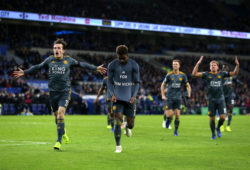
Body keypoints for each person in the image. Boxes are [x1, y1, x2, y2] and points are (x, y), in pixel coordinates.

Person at [13, 38, 106, 150]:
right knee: (57, 117)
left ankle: (58, 141)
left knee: (61, 114)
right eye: (55, 48)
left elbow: (82, 64)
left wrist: (95, 68)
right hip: (53, 93)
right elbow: (37, 67)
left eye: (59, 48)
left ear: (63, 50)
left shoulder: (69, 60)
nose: (56, 50)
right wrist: (25, 72)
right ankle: (63, 132)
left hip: (64, 92)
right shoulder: (49, 60)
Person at [192, 56, 239, 140]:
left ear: (217, 67)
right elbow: (194, 74)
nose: (213, 66)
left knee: (223, 118)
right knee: (212, 119)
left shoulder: (222, 74)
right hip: (210, 100)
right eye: (211, 65)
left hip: (220, 99)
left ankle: (218, 128)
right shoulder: (207, 74)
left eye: (214, 65)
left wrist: (237, 65)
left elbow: (234, 73)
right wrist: (198, 63)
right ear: (210, 67)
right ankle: (213, 134)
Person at [107, 45, 140, 153]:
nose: (121, 60)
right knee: (117, 119)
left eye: (123, 58)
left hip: (130, 98)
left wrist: (134, 95)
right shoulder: (112, 65)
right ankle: (118, 146)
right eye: (119, 58)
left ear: (127, 55)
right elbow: (109, 82)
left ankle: (126, 126)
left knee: (131, 125)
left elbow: (136, 83)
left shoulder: (134, 65)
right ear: (117, 55)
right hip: (117, 98)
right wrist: (112, 94)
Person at [161, 59, 191, 136]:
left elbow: (188, 85)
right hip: (169, 97)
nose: (175, 65)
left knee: (177, 115)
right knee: (169, 115)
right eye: (174, 64)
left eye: (176, 64)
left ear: (179, 66)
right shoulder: (169, 75)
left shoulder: (183, 75)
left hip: (178, 98)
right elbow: (162, 85)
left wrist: (189, 93)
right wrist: (163, 95)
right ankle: (167, 120)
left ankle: (176, 131)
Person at [221, 64, 242, 132]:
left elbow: (236, 77)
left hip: (230, 95)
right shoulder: (220, 75)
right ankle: (221, 125)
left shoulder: (231, 75)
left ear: (228, 68)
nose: (224, 68)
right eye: (223, 67)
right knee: (223, 112)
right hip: (223, 95)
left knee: (230, 110)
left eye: (225, 67)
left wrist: (242, 84)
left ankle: (228, 126)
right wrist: (226, 84)